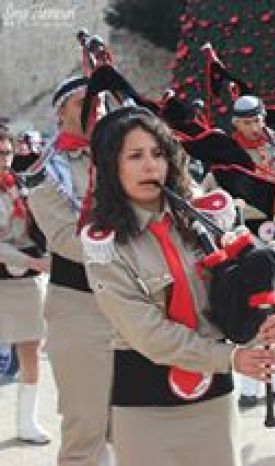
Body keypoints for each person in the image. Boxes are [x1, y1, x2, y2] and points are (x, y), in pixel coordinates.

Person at [80, 106, 275, 465]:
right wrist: (230, 358)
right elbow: (147, 333)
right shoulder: (104, 246)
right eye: (135, 156)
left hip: (214, 400)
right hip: (143, 404)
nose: (151, 166)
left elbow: (274, 263)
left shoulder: (208, 216)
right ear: (111, 167)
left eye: (158, 154)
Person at [27, 76, 114, 466]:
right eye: (84, 102)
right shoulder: (46, 171)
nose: (95, 107)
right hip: (83, 307)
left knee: (138, 422)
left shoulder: (125, 156)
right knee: (87, 428)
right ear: (61, 111)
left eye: (99, 100)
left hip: (137, 301)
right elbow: (67, 241)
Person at [229, 94, 275, 408]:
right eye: (247, 122)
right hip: (243, 235)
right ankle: (249, 386)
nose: (255, 126)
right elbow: (208, 191)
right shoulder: (227, 153)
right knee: (251, 310)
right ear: (236, 123)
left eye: (258, 120)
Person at [0, 127, 51, 444]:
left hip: (28, 281)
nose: (4, 160)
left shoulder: (17, 184)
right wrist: (34, 262)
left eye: (6, 153)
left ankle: (26, 422)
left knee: (31, 349)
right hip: (6, 277)